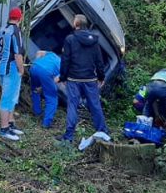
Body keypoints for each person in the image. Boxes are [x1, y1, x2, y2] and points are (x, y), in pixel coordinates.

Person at [57, 14, 108, 145]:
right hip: (90, 79)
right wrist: (101, 77)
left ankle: (68, 136)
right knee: (95, 105)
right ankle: (103, 132)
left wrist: (62, 76)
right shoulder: (94, 40)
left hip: (74, 79)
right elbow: (99, 60)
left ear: (76, 24)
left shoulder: (70, 39)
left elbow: (66, 59)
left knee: (72, 106)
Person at [0, 7, 25, 141]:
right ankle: (4, 129)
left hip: (1, 65)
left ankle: (10, 123)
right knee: (7, 98)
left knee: (12, 96)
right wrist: (21, 69)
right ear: (20, 18)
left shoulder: (2, 29)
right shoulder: (16, 31)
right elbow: (18, 54)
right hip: (11, 67)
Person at [29, 49, 61, 128]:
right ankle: (46, 124)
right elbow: (55, 80)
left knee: (35, 91)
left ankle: (37, 113)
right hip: (46, 72)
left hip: (34, 67)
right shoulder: (66, 67)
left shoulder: (53, 55)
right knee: (52, 98)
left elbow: (39, 52)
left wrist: (36, 62)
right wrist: (42, 88)